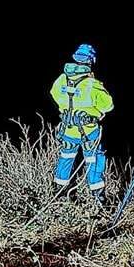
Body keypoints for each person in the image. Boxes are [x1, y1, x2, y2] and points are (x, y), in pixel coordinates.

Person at [51, 43, 115, 204]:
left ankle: (59, 195)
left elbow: (54, 93)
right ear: (91, 61)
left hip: (68, 130)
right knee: (94, 161)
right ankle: (98, 199)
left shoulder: (61, 79)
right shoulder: (92, 85)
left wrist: (66, 106)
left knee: (66, 158)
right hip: (88, 131)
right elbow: (108, 105)